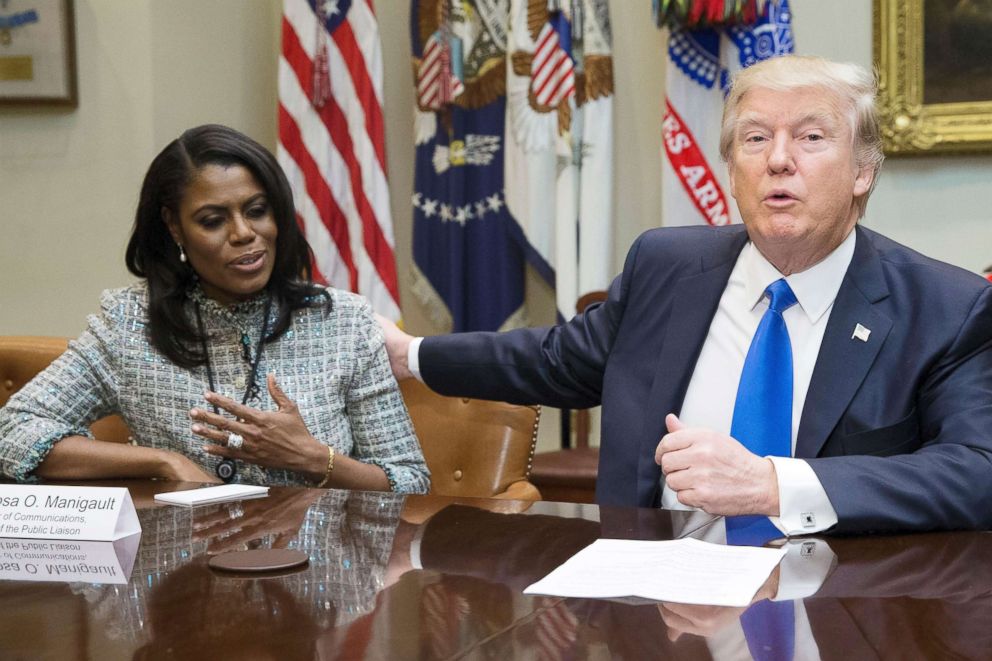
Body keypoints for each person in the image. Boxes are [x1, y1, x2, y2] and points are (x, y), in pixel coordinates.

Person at [379, 55, 992, 533]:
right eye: (754, 139)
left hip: (836, 607)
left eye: (810, 138)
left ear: (864, 171)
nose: (778, 160)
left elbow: (977, 472)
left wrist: (774, 486)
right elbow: (556, 361)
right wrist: (411, 355)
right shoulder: (667, 266)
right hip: (654, 598)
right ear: (731, 171)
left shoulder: (944, 308)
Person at [0, 124, 429, 494]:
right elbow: (13, 432)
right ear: (174, 227)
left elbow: (411, 481)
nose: (244, 234)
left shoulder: (343, 321)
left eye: (257, 211)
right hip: (182, 575)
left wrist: (316, 459)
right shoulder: (131, 324)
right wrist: (161, 463)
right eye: (212, 220)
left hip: (319, 578)